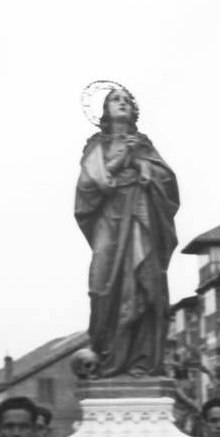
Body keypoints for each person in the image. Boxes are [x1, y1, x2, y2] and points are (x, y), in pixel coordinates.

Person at [74, 85, 179, 378]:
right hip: (109, 218)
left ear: (134, 111)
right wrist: (126, 157)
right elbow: (91, 183)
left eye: (126, 101)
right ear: (104, 110)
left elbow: (167, 179)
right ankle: (106, 355)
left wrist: (146, 168)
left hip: (140, 215)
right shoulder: (96, 144)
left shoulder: (144, 144)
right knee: (101, 283)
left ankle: (140, 360)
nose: (121, 104)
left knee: (143, 280)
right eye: (114, 100)